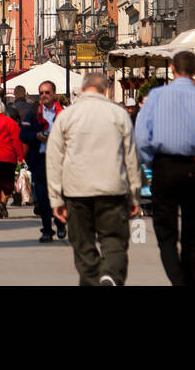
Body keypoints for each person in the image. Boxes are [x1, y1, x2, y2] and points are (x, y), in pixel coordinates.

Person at [134, 51, 195, 287]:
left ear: (172, 69)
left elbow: (141, 138)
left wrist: (150, 163)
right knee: (191, 233)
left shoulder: (155, 97)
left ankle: (179, 281)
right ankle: (189, 281)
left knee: (165, 231)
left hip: (164, 167)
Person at [47, 72, 141, 285]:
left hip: (77, 191)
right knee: (114, 241)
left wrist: (56, 198)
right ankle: (110, 274)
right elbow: (131, 156)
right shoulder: (119, 115)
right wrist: (134, 194)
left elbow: (54, 159)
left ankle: (93, 278)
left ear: (82, 89)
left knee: (83, 244)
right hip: (112, 189)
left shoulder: (66, 116)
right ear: (106, 90)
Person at [20, 80, 66, 242]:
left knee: (60, 194)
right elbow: (23, 135)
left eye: (47, 92)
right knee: (43, 197)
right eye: (41, 93)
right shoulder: (33, 113)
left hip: (60, 160)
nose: (44, 95)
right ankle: (47, 230)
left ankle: (60, 222)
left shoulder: (64, 113)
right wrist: (36, 136)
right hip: (40, 159)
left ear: (54, 94)